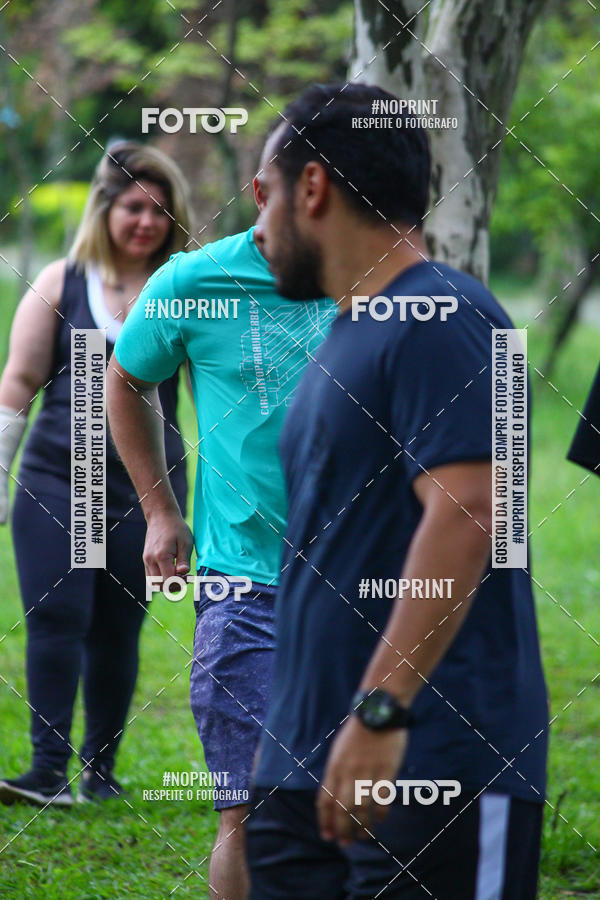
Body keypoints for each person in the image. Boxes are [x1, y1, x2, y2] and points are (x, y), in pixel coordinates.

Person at [246, 82, 550, 899]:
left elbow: (473, 512)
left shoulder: (445, 314)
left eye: (261, 192)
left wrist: (382, 712)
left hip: (429, 768)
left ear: (311, 188)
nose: (256, 223)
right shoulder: (348, 334)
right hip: (304, 769)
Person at [105, 217, 335, 895]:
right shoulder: (195, 277)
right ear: (268, 190)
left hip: (360, 587)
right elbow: (122, 379)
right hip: (244, 586)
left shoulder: (380, 276)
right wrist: (159, 510)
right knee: (247, 810)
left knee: (354, 807)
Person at [0, 141, 190, 807]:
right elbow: (17, 383)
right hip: (58, 481)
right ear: (104, 209)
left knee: (118, 627)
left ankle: (100, 775)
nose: (147, 222)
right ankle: (47, 773)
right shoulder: (61, 282)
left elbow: (215, 394)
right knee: (57, 617)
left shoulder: (183, 290)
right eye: (134, 206)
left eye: (160, 211)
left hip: (147, 491)